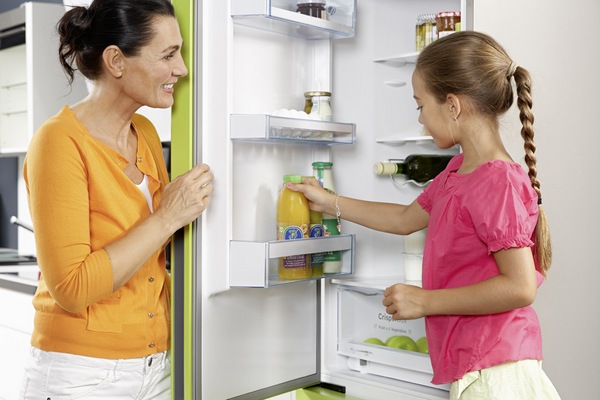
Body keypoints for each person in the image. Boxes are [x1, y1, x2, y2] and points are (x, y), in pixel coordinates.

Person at [290, 31, 560, 399]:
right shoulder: (459, 170)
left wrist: (424, 300)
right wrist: (328, 202)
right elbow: (404, 218)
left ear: (452, 105)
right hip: (477, 367)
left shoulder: (498, 181)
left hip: (498, 371)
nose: (420, 120)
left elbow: (520, 287)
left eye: (420, 105)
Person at [19, 0, 213, 399]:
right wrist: (166, 217)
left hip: (156, 365)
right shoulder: (58, 142)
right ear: (116, 61)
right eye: (169, 55)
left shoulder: (143, 132)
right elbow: (71, 288)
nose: (182, 70)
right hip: (82, 375)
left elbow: (148, 262)